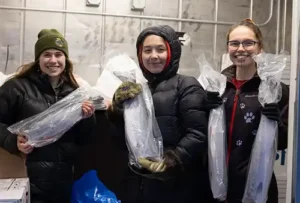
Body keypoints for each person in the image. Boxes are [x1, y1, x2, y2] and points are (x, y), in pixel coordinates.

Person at [107, 25, 212, 203]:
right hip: (141, 185)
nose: (153, 56)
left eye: (160, 49)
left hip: (178, 187)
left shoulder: (186, 85)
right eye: (147, 50)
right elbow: (123, 143)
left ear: (172, 52)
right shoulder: (138, 90)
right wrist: (117, 111)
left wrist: (172, 159)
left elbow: (198, 134)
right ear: (140, 55)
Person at [0, 29, 97, 203]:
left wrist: (87, 116)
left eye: (58, 55)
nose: (53, 60)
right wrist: (13, 141)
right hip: (26, 179)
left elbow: (85, 139)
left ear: (65, 59)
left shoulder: (75, 93)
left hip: (63, 180)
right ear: (38, 59)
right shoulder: (16, 88)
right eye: (47, 55)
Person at [205, 19, 289, 203]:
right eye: (234, 43)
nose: (240, 48)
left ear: (260, 48)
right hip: (216, 187)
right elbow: (202, 137)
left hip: (257, 186)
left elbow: (284, 144)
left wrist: (278, 123)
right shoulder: (216, 87)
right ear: (228, 48)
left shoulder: (276, 90)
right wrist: (204, 109)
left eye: (248, 43)